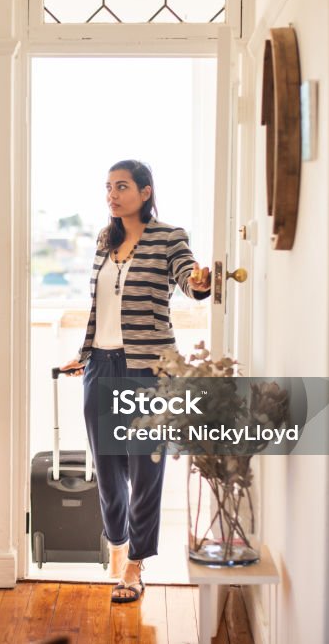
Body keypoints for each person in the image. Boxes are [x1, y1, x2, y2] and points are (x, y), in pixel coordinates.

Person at [60, 159, 211, 603]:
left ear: (145, 192)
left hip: (147, 368)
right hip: (100, 365)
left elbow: (188, 278)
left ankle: (135, 564)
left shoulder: (169, 237)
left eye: (122, 186)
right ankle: (118, 543)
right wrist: (85, 354)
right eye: (108, 187)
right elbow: (99, 308)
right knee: (107, 467)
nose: (112, 194)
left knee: (145, 468)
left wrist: (200, 282)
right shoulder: (105, 242)